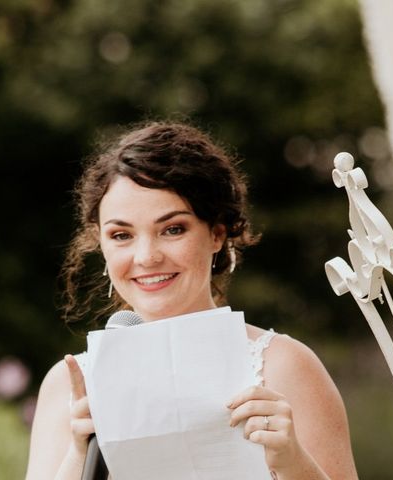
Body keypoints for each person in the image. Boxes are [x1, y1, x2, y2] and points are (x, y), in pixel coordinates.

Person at [25, 121, 358, 479]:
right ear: (101, 243)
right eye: (122, 235)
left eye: (172, 229)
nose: (146, 256)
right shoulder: (70, 385)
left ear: (216, 234)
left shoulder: (285, 366)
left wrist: (292, 461)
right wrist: (79, 453)